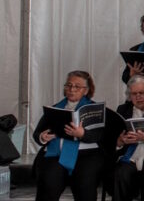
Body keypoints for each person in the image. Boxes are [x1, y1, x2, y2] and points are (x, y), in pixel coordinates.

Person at [33, 70, 104, 201]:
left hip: (85, 155)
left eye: (77, 86)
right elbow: (37, 133)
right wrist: (43, 137)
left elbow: (101, 136)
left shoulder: (95, 110)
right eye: (69, 85)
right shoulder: (55, 108)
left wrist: (83, 134)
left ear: (86, 90)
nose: (72, 89)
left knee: (85, 186)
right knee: (48, 181)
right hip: (56, 153)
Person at [113, 75, 144, 201]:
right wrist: (120, 141)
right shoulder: (122, 109)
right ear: (130, 96)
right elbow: (113, 138)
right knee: (120, 174)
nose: (138, 97)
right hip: (129, 157)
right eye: (134, 94)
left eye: (141, 93)